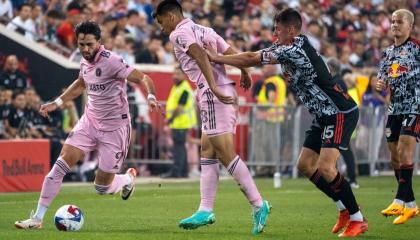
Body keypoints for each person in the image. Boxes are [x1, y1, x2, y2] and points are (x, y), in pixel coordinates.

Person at [206, 8, 367, 237]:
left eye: (277, 29)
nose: (274, 33)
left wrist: (217, 57)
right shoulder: (285, 47)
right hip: (323, 114)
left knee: (326, 167)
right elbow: (253, 56)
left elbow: (252, 58)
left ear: (291, 29)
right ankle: (343, 208)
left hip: (339, 111)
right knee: (304, 166)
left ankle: (357, 218)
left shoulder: (295, 49)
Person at [14, 21, 160, 229]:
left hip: (115, 129)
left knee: (101, 187)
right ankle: (37, 219)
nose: (85, 49)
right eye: (80, 44)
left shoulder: (113, 61)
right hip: (89, 122)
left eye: (89, 44)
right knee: (59, 166)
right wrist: (57, 102)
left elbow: (144, 78)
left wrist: (152, 96)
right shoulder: (84, 61)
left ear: (99, 42)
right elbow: (82, 83)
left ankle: (127, 179)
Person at [153, 0, 271, 235]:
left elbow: (199, 55)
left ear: (171, 17)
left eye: (161, 21)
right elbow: (229, 52)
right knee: (207, 151)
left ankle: (258, 204)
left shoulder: (178, 34)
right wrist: (244, 70)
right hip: (221, 90)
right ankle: (205, 209)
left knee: (226, 154)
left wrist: (213, 87)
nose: (161, 27)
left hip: (213, 93)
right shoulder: (205, 30)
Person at [376, 9, 419, 225]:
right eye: (392, 21)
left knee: (404, 148)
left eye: (399, 22)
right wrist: (380, 84)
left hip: (415, 105)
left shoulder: (416, 48)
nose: (394, 25)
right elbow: (381, 77)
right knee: (394, 154)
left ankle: (399, 198)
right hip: (395, 107)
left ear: (409, 26)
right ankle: (410, 204)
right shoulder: (387, 53)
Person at [327, 58, 359, 189]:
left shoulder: (337, 81)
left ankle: (352, 179)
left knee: (345, 150)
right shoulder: (337, 80)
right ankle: (339, 177)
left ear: (331, 68)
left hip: (343, 120)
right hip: (342, 119)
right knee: (339, 149)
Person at [163, 65, 197, 178]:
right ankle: (183, 172)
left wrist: (170, 119)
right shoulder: (177, 87)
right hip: (178, 122)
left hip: (181, 122)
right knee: (180, 147)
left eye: (178, 74)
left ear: (184, 75)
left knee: (178, 148)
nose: (175, 76)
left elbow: (180, 107)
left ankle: (177, 172)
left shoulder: (184, 89)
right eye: (174, 73)